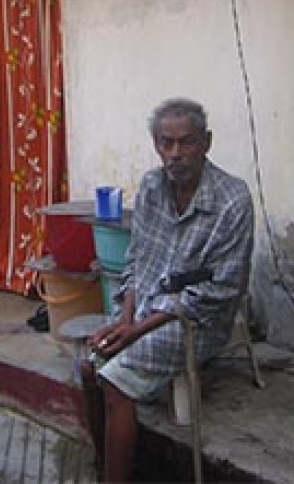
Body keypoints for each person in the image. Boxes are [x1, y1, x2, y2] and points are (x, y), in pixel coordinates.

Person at [80, 97, 254, 482]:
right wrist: (123, 318)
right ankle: (107, 462)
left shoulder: (232, 199)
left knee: (113, 380)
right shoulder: (151, 186)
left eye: (186, 142)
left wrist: (135, 332)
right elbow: (137, 260)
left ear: (206, 142)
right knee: (88, 366)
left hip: (197, 320)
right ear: (156, 144)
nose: (175, 154)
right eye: (166, 143)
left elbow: (221, 291)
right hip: (143, 310)